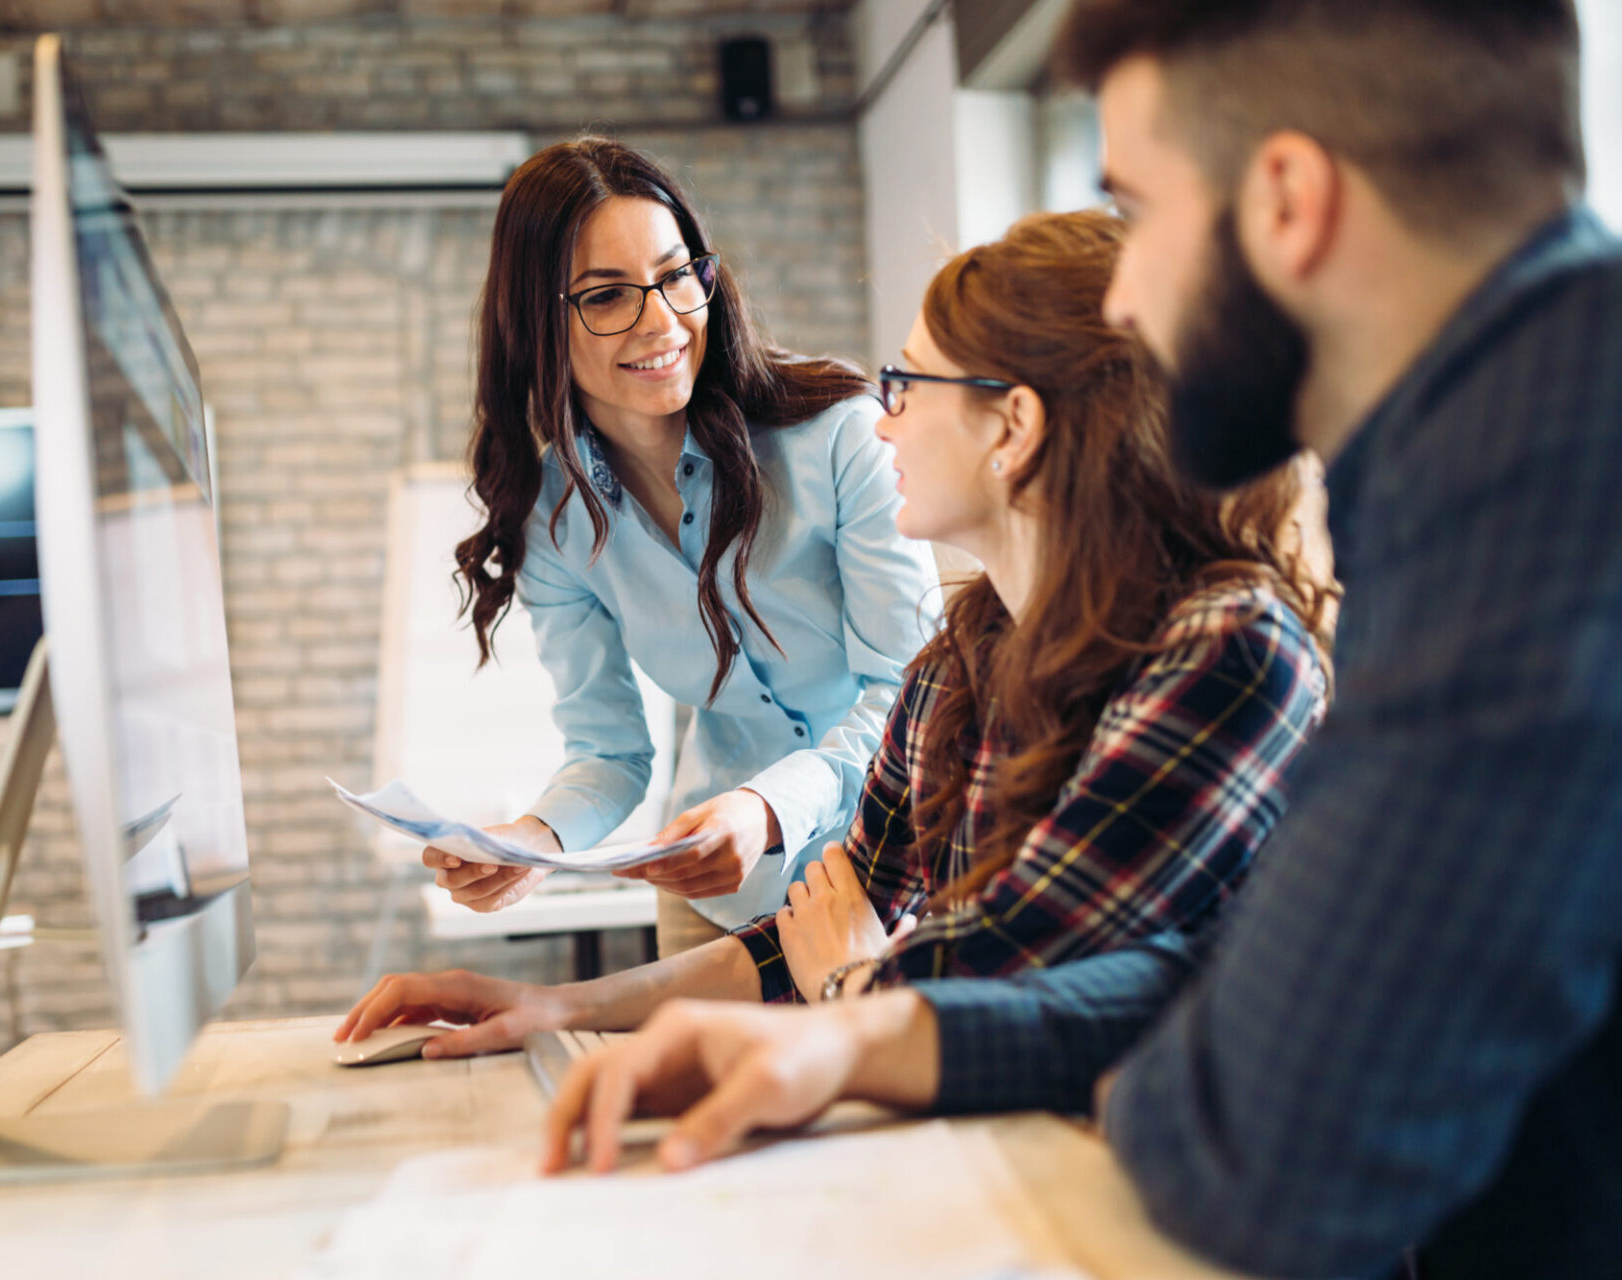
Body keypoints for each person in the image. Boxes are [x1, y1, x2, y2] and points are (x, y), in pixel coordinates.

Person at [543, 3, 1622, 1278]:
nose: (1127, 295)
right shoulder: (1488, 456)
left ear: (1287, 199)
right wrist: (862, 1032)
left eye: (1143, 210)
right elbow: (1211, 983)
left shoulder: (1546, 494)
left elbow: (1268, 1144)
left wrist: (877, 1003)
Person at [339, 210, 1331, 1055]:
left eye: (910, 385)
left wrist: (854, 981)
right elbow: (840, 928)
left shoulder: (1229, 647)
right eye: (606, 294)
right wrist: (552, 1004)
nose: (882, 418)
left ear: (1013, 427)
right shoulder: (964, 658)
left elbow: (1006, 978)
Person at [421, 136, 942, 956]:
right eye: (606, 296)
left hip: (898, 884)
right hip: (721, 905)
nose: (662, 321)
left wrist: (768, 808)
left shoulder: (839, 435)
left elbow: (912, 696)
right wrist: (537, 840)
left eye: (675, 276)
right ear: (535, 322)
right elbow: (609, 750)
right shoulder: (555, 519)